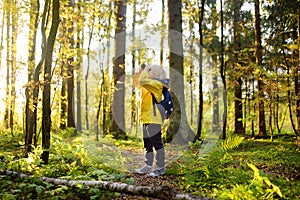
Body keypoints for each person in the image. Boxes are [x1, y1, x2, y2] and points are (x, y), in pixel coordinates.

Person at [133, 64, 168, 177]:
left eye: (150, 71)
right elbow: (137, 83)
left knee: (157, 144)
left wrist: (145, 69)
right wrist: (139, 71)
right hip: (146, 119)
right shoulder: (148, 85)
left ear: (156, 74)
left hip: (154, 119)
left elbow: (142, 81)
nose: (147, 72)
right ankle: (148, 166)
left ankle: (160, 168)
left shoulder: (156, 84)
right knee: (147, 144)